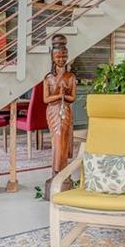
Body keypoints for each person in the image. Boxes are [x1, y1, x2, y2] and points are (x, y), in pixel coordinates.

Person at [43, 34, 77, 198]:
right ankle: (55, 171)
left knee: (63, 139)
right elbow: (45, 99)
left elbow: (73, 98)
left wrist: (64, 96)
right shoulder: (48, 78)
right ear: (52, 57)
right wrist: (59, 96)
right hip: (53, 111)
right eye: (58, 56)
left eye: (64, 56)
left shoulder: (71, 77)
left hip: (65, 111)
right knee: (55, 139)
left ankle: (62, 171)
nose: (61, 59)